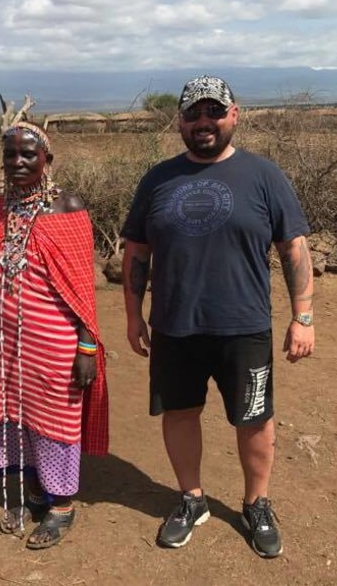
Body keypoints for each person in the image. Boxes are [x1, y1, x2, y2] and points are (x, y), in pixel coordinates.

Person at [121, 76, 315, 558]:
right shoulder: (158, 179)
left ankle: (256, 503)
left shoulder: (263, 175)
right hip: (174, 325)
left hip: (244, 325)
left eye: (213, 111)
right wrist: (133, 316)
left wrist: (303, 317)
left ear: (234, 114)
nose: (203, 122)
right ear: (180, 122)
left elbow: (293, 246)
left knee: (254, 418)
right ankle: (192, 498)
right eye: (193, 114)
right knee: (180, 412)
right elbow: (136, 252)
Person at [0, 122, 108, 550]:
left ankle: (61, 506)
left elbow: (82, 289)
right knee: (11, 417)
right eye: (10, 155)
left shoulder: (66, 208)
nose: (17, 162)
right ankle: (34, 490)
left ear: (47, 161)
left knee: (55, 420)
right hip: (0, 344)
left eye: (28, 154)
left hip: (54, 343)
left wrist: (87, 345)